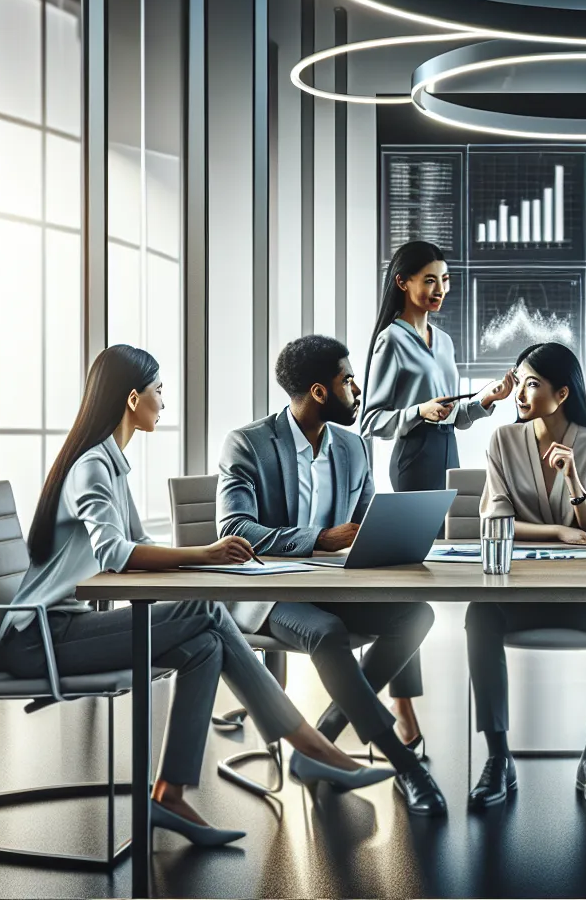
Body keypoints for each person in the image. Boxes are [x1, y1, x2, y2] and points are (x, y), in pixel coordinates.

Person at [0, 345, 393, 847]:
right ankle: (311, 746)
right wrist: (205, 553)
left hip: (65, 628)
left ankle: (169, 794)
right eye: (159, 391)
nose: (164, 402)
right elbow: (116, 554)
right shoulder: (91, 466)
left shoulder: (111, 465)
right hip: (39, 639)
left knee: (205, 646)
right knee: (205, 609)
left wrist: (204, 560)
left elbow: (137, 545)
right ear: (133, 399)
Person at [216, 334, 446, 815]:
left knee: (416, 614)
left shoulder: (353, 447)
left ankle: (321, 740)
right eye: (349, 381)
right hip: (270, 594)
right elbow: (235, 529)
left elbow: (367, 522)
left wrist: (393, 537)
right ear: (320, 392)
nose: (358, 390)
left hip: (335, 584)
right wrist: (318, 538)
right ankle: (406, 764)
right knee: (326, 631)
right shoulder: (248, 444)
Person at [464, 342, 586, 811]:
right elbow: (494, 521)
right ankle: (498, 758)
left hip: (583, 596)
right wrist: (556, 532)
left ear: (562, 393)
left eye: (532, 384)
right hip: (520, 594)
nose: (519, 394)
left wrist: (573, 481)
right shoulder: (503, 440)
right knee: (479, 613)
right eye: (520, 382)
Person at [360, 240, 516, 738]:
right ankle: (403, 707)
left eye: (445, 280)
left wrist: (485, 400)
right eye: (429, 279)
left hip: (449, 455)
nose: (440, 289)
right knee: (408, 587)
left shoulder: (443, 341)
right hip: (413, 460)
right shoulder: (391, 341)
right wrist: (417, 412)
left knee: (455, 565)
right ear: (402, 282)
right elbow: (371, 421)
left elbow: (452, 414)